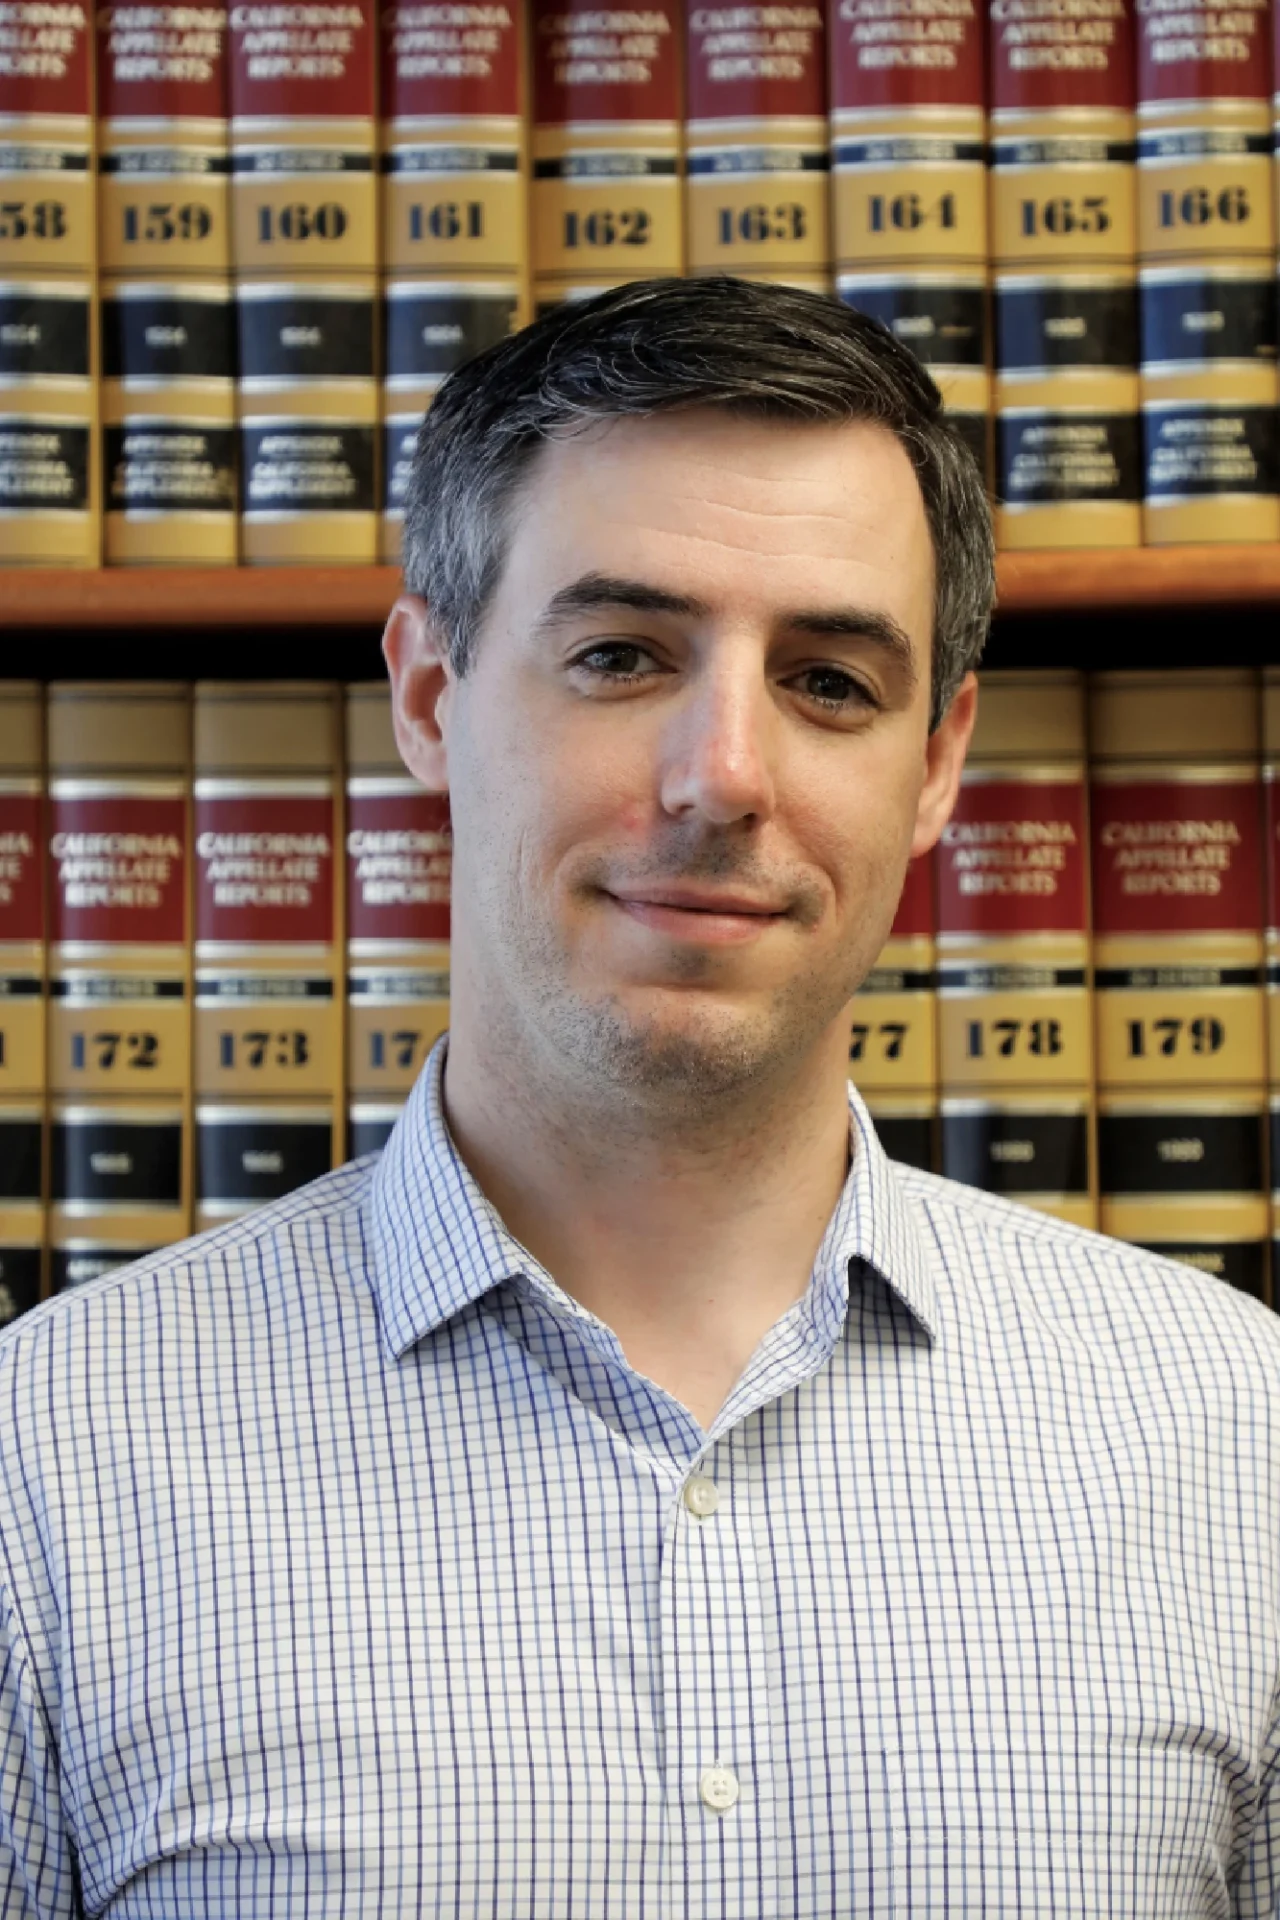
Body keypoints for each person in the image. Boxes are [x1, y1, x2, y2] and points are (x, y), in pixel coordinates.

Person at [0, 277, 1277, 1920]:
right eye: (620, 653)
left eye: (829, 682)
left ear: (942, 760)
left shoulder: (1232, 1440)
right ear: (429, 697)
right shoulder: (44, 1470)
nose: (724, 776)